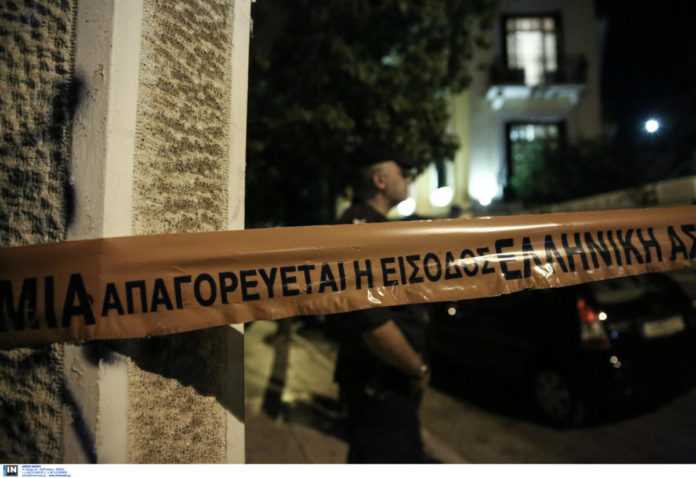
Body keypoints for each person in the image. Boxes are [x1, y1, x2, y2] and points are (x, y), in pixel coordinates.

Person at [332, 156, 432, 463]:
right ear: (380, 181)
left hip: (382, 381)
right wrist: (416, 368)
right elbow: (370, 320)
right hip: (379, 383)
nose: (407, 180)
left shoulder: (371, 226)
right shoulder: (362, 231)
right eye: (401, 174)